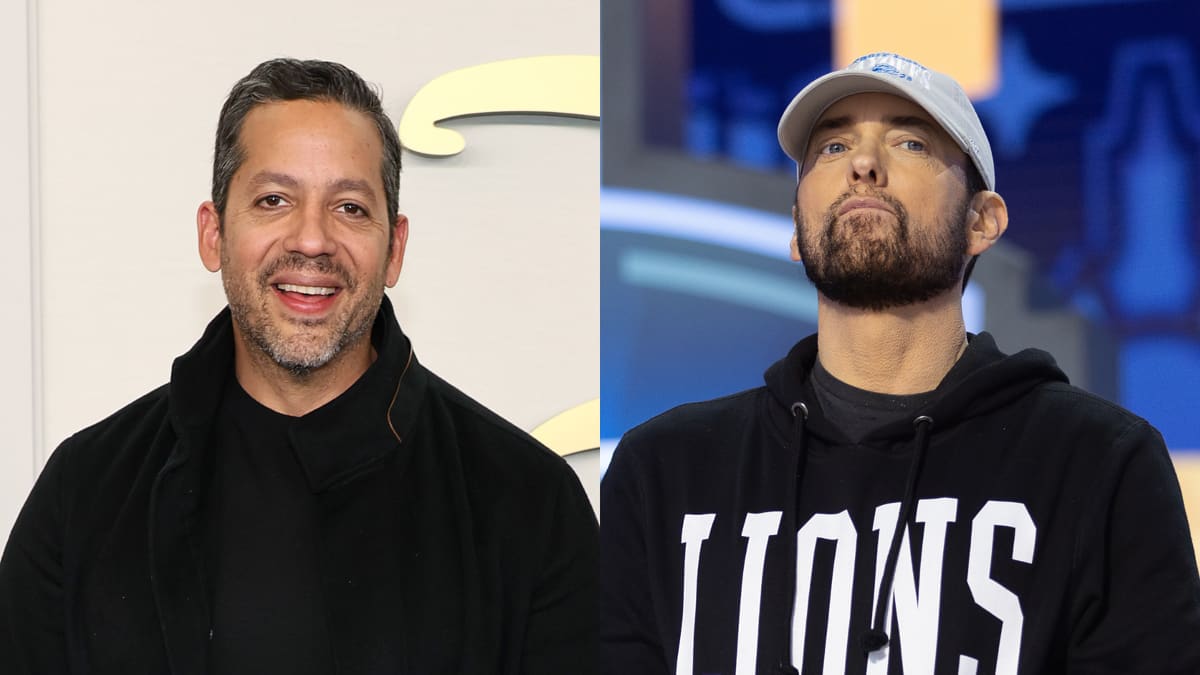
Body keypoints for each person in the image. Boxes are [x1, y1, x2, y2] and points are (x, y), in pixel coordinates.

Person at [600, 52, 1200, 675]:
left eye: (910, 142)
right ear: (797, 230)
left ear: (982, 220)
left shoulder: (1097, 463)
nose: (862, 164)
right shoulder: (665, 473)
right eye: (832, 148)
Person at [0, 58, 597, 675]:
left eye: (350, 208)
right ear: (214, 234)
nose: (311, 240)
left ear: (394, 249)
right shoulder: (87, 493)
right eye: (274, 199)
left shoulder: (527, 503)